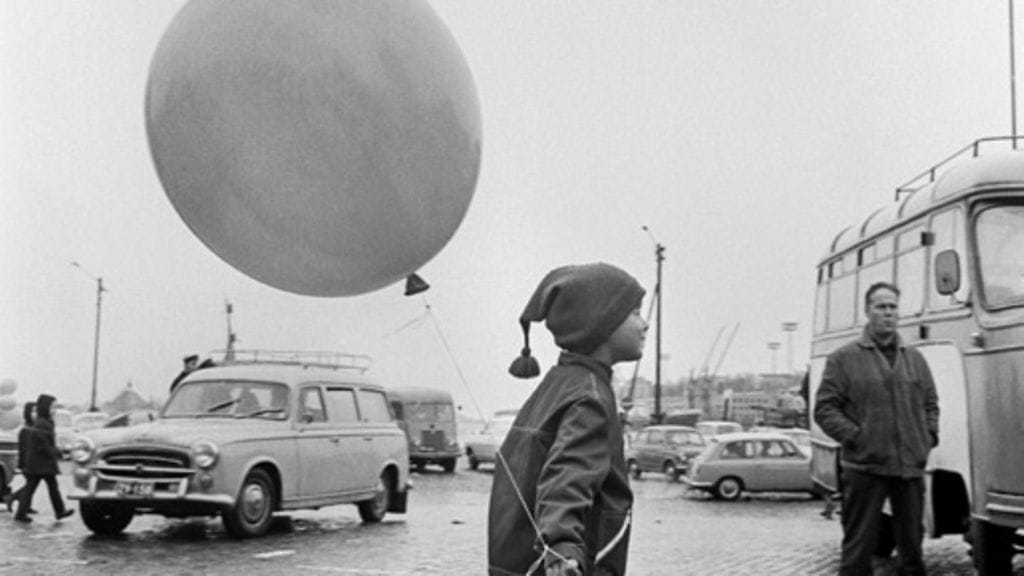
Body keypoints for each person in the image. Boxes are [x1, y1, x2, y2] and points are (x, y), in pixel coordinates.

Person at [488, 263, 647, 576]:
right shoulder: (590, 396)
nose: (645, 324)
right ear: (601, 324)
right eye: (635, 313)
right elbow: (567, 473)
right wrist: (561, 546)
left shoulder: (558, 383)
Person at [813, 282, 939, 575]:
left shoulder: (915, 358)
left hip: (909, 467)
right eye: (881, 307)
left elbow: (931, 403)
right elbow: (825, 409)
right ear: (867, 312)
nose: (888, 313)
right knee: (858, 548)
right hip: (864, 467)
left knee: (912, 549)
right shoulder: (843, 359)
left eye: (893, 307)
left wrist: (928, 437)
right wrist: (857, 437)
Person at [14, 394, 74, 523]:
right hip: (40, 464)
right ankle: (59, 511)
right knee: (40, 488)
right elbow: (45, 445)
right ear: (45, 407)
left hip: (40, 463)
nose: (54, 410)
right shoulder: (42, 424)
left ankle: (58, 511)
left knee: (38, 487)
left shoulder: (44, 422)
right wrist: (57, 452)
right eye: (53, 407)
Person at [4, 402, 38, 514]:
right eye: (33, 411)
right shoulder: (25, 430)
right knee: (31, 485)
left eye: (36, 411)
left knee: (31, 485)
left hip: (32, 462)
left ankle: (25, 504)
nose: (35, 414)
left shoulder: (34, 428)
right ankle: (13, 498)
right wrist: (23, 464)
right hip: (28, 463)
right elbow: (24, 450)